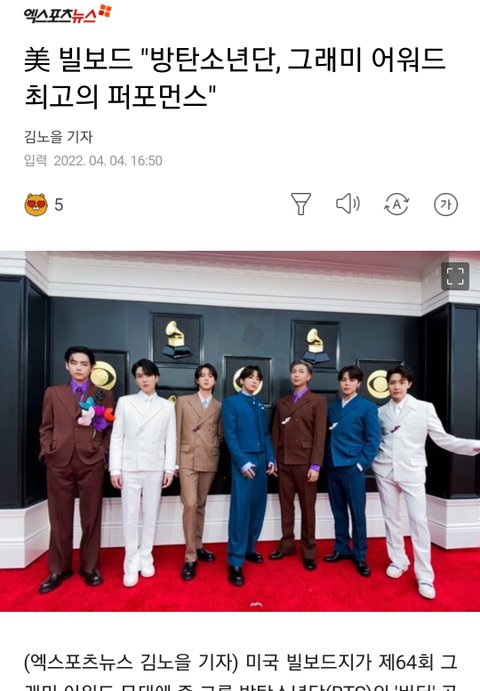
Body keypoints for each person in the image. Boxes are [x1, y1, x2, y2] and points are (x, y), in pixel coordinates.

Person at [373, 364, 480, 600]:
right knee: (391, 519)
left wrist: (475, 445)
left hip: (412, 471)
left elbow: (443, 439)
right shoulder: (380, 411)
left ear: (409, 384)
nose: (396, 386)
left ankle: (424, 576)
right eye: (392, 382)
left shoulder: (424, 408)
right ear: (387, 385)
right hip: (385, 470)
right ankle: (398, 560)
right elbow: (374, 440)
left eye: (401, 382)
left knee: (419, 522)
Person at [38, 346, 115, 594]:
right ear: (67, 365)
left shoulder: (104, 394)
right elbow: (46, 427)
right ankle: (58, 569)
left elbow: (108, 429)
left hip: (91, 461)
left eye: (84, 363)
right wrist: (47, 451)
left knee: (91, 516)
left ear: (92, 367)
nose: (79, 367)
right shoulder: (53, 393)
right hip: (58, 461)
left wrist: (102, 453)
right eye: (74, 363)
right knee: (59, 518)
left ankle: (89, 567)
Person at [109, 359, 176, 587]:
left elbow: (171, 439)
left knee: (150, 514)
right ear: (135, 379)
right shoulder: (125, 402)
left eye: (148, 375)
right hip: (129, 467)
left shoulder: (167, 406)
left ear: (156, 378)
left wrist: (169, 468)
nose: (144, 379)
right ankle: (130, 562)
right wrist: (115, 468)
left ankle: (146, 556)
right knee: (130, 515)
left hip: (155, 467)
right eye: (139, 376)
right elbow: (117, 437)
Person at [324, 365, 381, 577]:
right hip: (332, 466)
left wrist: (360, 465)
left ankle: (360, 555)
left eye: (351, 379)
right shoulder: (331, 407)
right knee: (338, 511)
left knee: (357, 513)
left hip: (352, 468)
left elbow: (373, 440)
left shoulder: (367, 407)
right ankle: (341, 548)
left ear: (359, 383)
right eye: (343, 379)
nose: (346, 383)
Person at [270, 359, 327, 570]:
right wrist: (273, 459)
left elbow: (320, 435)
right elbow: (275, 432)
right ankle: (287, 544)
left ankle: (309, 550)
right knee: (286, 506)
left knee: (307, 508)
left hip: (305, 462)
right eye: (293, 371)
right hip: (283, 461)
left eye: (301, 371)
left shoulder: (318, 401)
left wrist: (316, 465)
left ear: (309, 376)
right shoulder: (282, 402)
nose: (296, 375)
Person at [222, 365, 276, 586]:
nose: (254, 381)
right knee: (240, 511)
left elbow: (265, 434)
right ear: (241, 380)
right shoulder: (231, 403)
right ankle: (235, 561)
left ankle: (249, 549)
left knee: (257, 508)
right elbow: (230, 435)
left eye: (258, 378)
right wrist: (242, 462)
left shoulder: (258, 404)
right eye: (250, 377)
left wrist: (270, 458)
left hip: (262, 459)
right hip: (243, 461)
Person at [176, 363, 223, 581]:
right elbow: (175, 431)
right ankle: (190, 556)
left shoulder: (219, 406)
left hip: (209, 459)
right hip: (186, 458)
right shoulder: (183, 401)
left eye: (210, 375)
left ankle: (198, 544)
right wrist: (175, 462)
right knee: (190, 504)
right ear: (197, 380)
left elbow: (220, 434)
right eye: (202, 375)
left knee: (201, 504)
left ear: (215, 381)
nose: (206, 378)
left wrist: (210, 446)